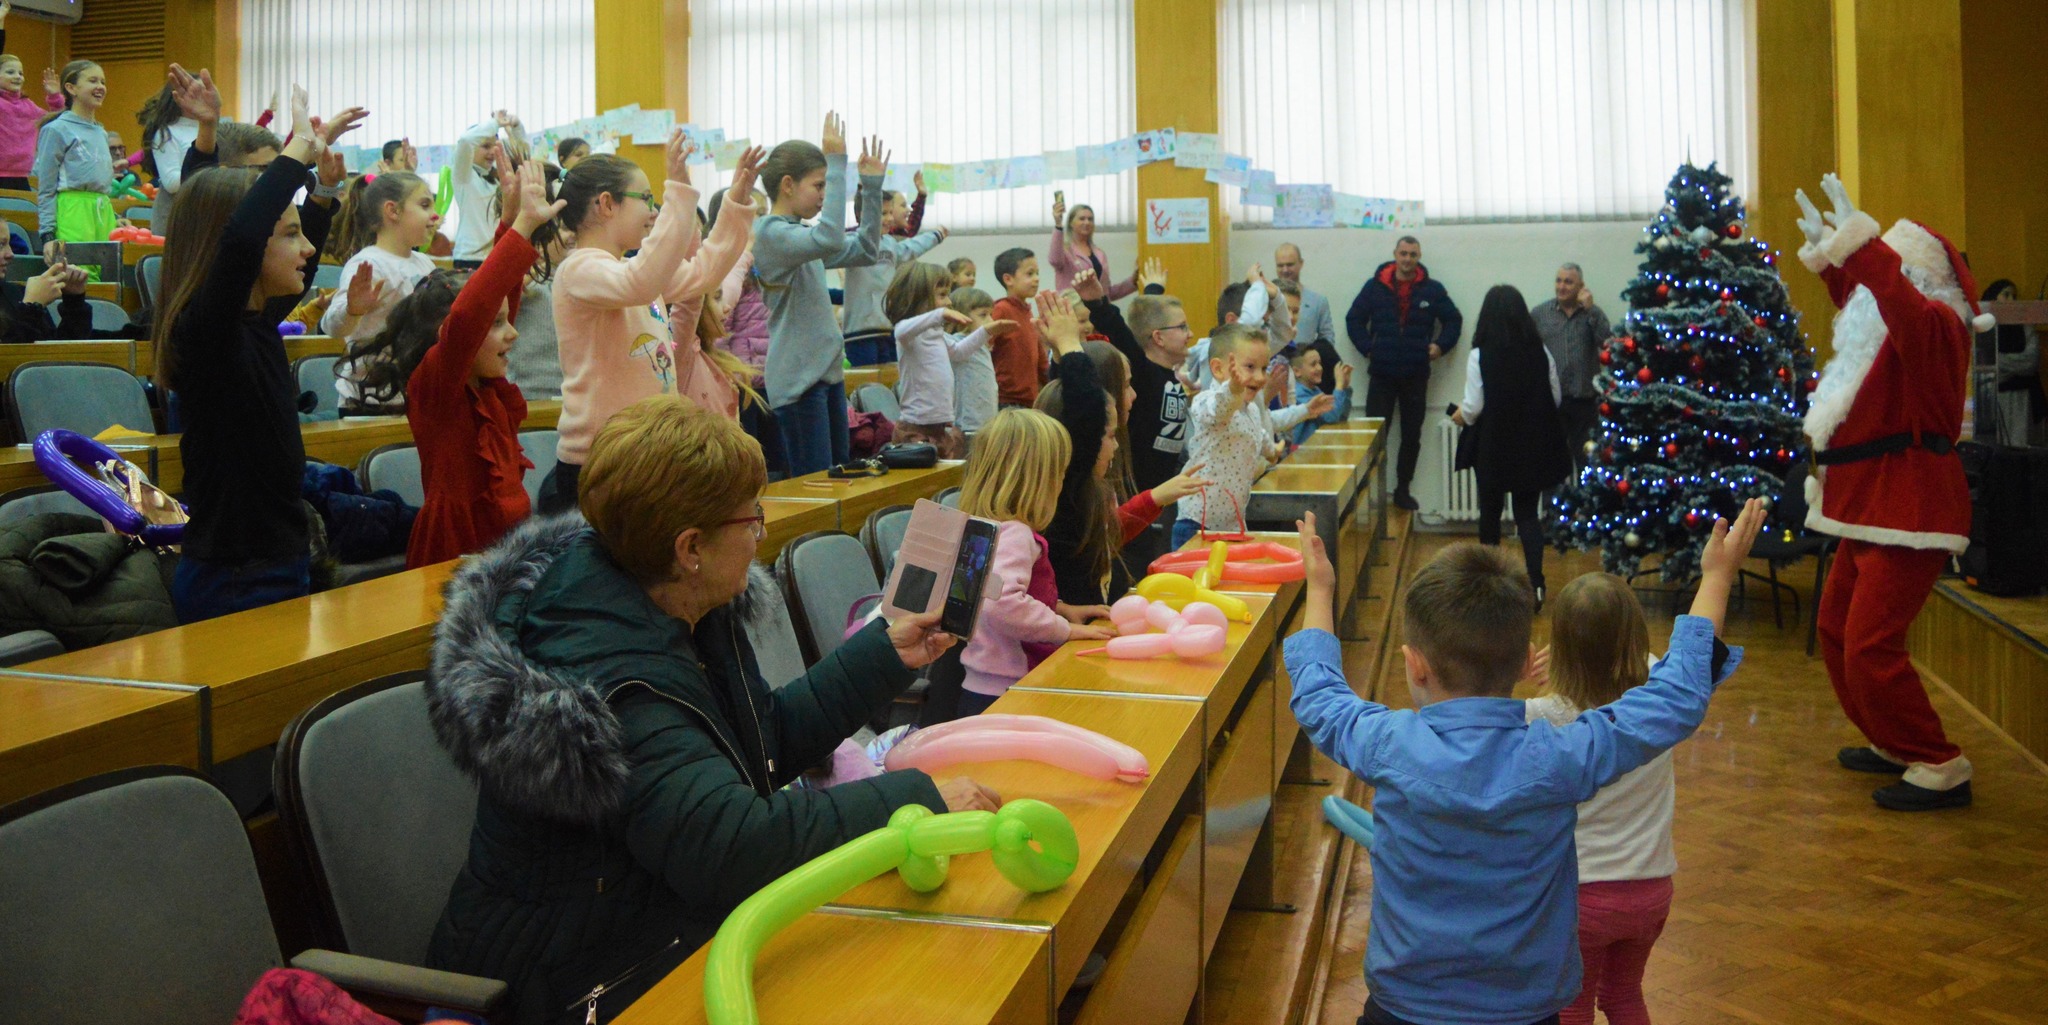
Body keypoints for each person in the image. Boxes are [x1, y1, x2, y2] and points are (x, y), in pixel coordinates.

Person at [424, 395, 998, 1023]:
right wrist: (916, 801)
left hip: (649, 928)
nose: (761, 535)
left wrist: (882, 655)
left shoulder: (674, 600)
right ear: (691, 546)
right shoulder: (609, 677)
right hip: (568, 978)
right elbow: (731, 848)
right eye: (752, 519)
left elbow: (762, 742)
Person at [1283, 499, 1760, 1025]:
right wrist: (1716, 578)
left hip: (1405, 1008)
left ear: (1415, 666)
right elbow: (1675, 698)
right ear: (1525, 662)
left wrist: (1320, 589)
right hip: (1525, 1012)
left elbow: (1319, 695)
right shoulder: (1560, 756)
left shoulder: (1387, 744)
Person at [1794, 174, 1982, 811]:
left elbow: (1898, 304)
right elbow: (1867, 310)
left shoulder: (1940, 330)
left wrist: (1864, 250)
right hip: (1871, 505)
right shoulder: (1891, 326)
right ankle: (1893, 739)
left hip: (1913, 508)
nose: (1881, 283)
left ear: (1922, 277)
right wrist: (1831, 258)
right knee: (1835, 630)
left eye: (1895, 268)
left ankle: (1938, 761)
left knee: (1871, 646)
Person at [154, 86, 366, 623]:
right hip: (234, 577)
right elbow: (237, 237)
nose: (309, 249)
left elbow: (269, 251)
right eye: (290, 235)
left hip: (281, 560)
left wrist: (321, 195)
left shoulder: (256, 322)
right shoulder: (208, 333)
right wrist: (297, 153)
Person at [537, 132, 761, 515]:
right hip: (602, 459)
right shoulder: (579, 269)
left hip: (648, 451)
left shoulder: (633, 271)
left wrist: (735, 204)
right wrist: (678, 193)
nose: (654, 211)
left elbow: (703, 274)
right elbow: (641, 281)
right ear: (606, 204)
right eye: (646, 198)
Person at [383, 159, 559, 568]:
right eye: (496, 325)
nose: (513, 333)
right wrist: (523, 228)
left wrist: (510, 223)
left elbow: (499, 294)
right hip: (455, 553)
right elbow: (471, 315)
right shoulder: (436, 389)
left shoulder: (488, 389)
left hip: (507, 548)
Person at [1525, 573, 1682, 1025]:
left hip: (1583, 897)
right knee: (1624, 995)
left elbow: (1483, 723)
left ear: (1559, 648)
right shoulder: (1660, 700)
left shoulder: (1542, 718)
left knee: (1572, 1006)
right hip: (1652, 890)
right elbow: (1641, 660)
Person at [1035, 293, 1210, 607]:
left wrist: (1156, 498)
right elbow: (1084, 410)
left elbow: (1110, 531)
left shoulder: (1092, 470)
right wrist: (1068, 344)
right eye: (1127, 385)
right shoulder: (1076, 463)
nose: (1134, 395)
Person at [953, 406, 1117, 717]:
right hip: (1010, 691)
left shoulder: (980, 528)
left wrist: (1061, 609)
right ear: (1039, 480)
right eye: (1060, 473)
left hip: (983, 690)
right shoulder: (1015, 534)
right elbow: (1001, 605)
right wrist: (1063, 629)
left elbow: (989, 593)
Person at [754, 113, 886, 475]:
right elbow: (829, 238)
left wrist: (871, 188)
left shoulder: (803, 236)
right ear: (787, 185)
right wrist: (837, 162)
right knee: (818, 488)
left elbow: (866, 251)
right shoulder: (771, 233)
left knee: (841, 479)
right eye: (819, 185)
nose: (825, 195)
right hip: (799, 383)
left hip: (825, 376)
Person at [1451, 285, 1569, 604]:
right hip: (1531, 446)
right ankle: (1536, 585)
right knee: (1528, 515)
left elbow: (1473, 408)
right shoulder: (1540, 351)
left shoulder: (1480, 355)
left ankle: (1490, 588)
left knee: (1490, 514)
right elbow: (1555, 397)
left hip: (1493, 447)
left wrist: (1461, 415)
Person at [1172, 323, 1333, 549]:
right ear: (1218, 369)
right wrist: (1233, 389)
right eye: (1249, 367)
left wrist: (1274, 449)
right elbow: (1220, 408)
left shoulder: (1252, 409)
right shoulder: (1206, 401)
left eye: (1263, 368)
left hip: (1231, 525)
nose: (1259, 377)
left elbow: (1259, 434)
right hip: (1197, 524)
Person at [1347, 235, 1463, 510]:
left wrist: (1440, 346)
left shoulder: (1432, 290)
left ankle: (1402, 490)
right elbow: (1353, 319)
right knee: (1375, 436)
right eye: (1403, 254)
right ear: (1395, 254)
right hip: (1382, 373)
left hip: (1415, 374)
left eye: (1413, 254)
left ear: (1419, 256)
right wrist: (1368, 348)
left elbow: (1454, 320)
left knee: (1411, 436)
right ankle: (1369, 491)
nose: (1408, 259)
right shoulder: (1375, 286)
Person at [888, 261, 1008, 458]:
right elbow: (900, 330)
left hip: (940, 427)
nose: (949, 302)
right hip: (915, 428)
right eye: (942, 295)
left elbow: (960, 352)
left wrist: (986, 331)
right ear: (919, 297)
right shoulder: (908, 334)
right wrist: (940, 314)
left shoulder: (936, 334)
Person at [840, 189, 944, 365]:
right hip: (860, 332)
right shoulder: (853, 242)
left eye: (890, 212)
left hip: (888, 329)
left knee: (893, 377)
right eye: (883, 213)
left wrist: (936, 236)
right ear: (863, 215)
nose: (889, 218)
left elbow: (911, 248)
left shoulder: (889, 243)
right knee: (867, 380)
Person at [1530, 262, 1612, 476]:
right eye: (1558, 281)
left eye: (1568, 282)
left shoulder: (1593, 313)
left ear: (1581, 286)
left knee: (1589, 465)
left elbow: (1608, 346)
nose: (1561, 286)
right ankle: (1552, 500)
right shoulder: (1540, 314)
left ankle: (1588, 499)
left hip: (1585, 403)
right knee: (1549, 466)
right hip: (1552, 404)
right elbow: (1528, 353)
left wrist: (1591, 310)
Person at [33, 60, 114, 258]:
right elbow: (46, 187)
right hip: (72, 211)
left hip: (103, 212)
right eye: (92, 81)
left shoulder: (102, 132)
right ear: (71, 88)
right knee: (79, 271)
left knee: (108, 273)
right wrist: (47, 234)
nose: (100, 87)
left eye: (102, 82)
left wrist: (115, 217)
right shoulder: (56, 130)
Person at [448, 111, 526, 269]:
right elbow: (465, 140)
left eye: (495, 146)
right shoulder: (463, 176)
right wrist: (495, 123)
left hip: (498, 255)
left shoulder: (499, 178)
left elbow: (522, 155)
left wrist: (516, 126)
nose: (492, 152)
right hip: (470, 258)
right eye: (485, 146)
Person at [1275, 242, 1342, 395]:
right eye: (1280, 265)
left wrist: (1309, 363)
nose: (1285, 270)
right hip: (1275, 370)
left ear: (1301, 264)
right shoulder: (1267, 300)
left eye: (1290, 264)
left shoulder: (1318, 301)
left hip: (1306, 379)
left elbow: (1327, 340)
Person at [1983, 278, 2042, 446]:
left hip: (2022, 397)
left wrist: (2001, 364)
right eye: (2006, 295)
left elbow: (2031, 361)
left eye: (2014, 297)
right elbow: (1985, 362)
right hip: (1994, 397)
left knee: (2020, 444)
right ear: (1993, 297)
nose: (2011, 300)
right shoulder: (1985, 325)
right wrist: (2014, 366)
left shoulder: (2024, 326)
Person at [0, 245, 95, 342]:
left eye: (9, 243)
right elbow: (13, 350)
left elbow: (54, 348)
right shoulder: (29, 300)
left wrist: (74, 302)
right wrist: (31, 308)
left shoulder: (16, 292)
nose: (10, 254)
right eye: (0, 245)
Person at [989, 246, 1043, 408]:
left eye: (1037, 273)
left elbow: (1040, 358)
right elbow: (984, 347)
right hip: (1006, 400)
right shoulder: (1001, 310)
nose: (1036, 279)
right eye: (1030, 274)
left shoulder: (1028, 312)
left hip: (1030, 400)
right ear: (1008, 279)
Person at [1048, 196, 1134, 298]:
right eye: (1082, 219)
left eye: (1090, 219)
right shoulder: (1065, 251)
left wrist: (1133, 281)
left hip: (1100, 307)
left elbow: (1107, 293)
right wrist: (1058, 224)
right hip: (1074, 307)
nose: (1087, 222)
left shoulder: (1100, 254)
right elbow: (1054, 261)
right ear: (1071, 223)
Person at [949, 286, 1001, 436]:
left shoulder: (982, 346)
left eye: (991, 314)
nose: (991, 320)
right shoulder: (956, 342)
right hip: (967, 425)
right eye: (983, 315)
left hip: (986, 423)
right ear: (961, 317)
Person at [1289, 346, 1353, 445]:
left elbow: (1341, 417)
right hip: (1302, 452)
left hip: (1319, 447)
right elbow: (1332, 417)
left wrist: (1344, 387)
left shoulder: (1315, 390)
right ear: (1297, 371)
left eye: (1320, 363)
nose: (1320, 368)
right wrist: (1339, 385)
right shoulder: (1298, 394)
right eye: (1313, 364)